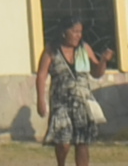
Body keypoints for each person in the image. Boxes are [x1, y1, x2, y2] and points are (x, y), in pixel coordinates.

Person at [43, 17, 103, 165]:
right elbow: (41, 74)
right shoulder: (52, 49)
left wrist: (104, 61)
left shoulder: (84, 48)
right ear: (64, 32)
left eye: (80, 32)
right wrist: (40, 100)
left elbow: (96, 72)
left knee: (82, 142)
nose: (78, 35)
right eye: (74, 31)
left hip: (82, 102)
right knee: (63, 140)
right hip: (61, 102)